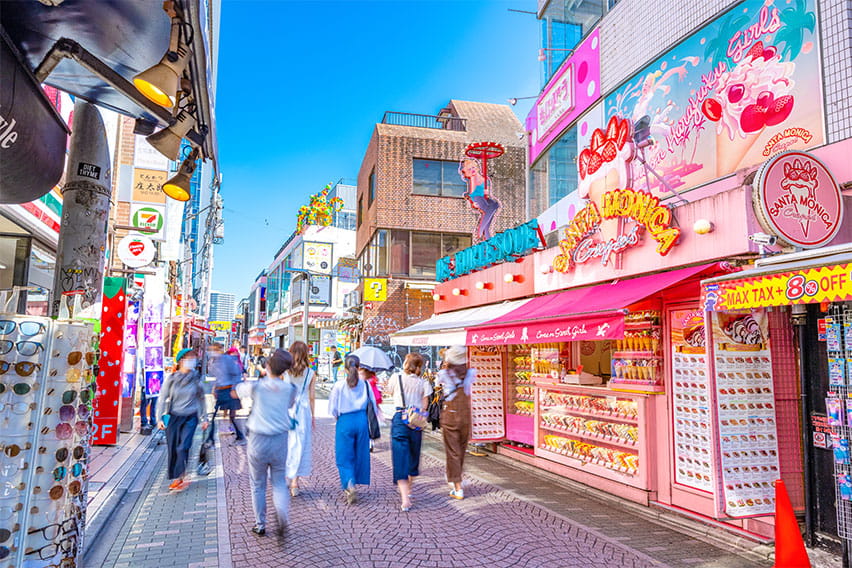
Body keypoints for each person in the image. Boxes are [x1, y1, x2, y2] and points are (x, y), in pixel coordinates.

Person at [234, 349, 297, 537]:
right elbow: (289, 405)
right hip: (280, 439)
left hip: (258, 439)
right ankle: (281, 515)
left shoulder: (257, 387)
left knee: (258, 484)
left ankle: (260, 524)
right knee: (278, 481)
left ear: (267, 366)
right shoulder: (290, 389)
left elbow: (238, 391)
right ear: (284, 370)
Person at [329, 355, 381, 504]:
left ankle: (349, 483)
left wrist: (337, 417)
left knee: (344, 456)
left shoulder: (339, 385)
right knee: (360, 454)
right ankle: (355, 480)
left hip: (345, 420)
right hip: (361, 421)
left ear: (345, 369)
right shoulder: (365, 385)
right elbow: (373, 406)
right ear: (358, 368)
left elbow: (332, 408)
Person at [385, 353, 432, 512]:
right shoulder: (424, 383)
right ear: (419, 367)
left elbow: (389, 392)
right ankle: (409, 490)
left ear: (405, 363)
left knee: (400, 457)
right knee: (413, 456)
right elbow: (425, 406)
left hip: (399, 418)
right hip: (415, 421)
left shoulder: (396, 378)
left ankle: (405, 498)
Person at [157, 348, 209, 492]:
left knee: (183, 446)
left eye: (193, 357)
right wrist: (159, 418)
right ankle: (178, 476)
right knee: (173, 448)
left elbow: (202, 399)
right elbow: (162, 398)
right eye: (188, 358)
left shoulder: (196, 378)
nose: (191, 361)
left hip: (190, 417)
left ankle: (180, 476)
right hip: (174, 417)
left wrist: (204, 418)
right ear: (180, 361)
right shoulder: (172, 379)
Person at [436, 346, 475, 500]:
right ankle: (454, 478)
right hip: (465, 415)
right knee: (461, 448)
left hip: (450, 416)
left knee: (452, 451)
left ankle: (457, 486)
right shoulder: (471, 373)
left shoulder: (444, 374)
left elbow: (438, 385)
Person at [285, 341, 315, 497]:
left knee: (286, 444)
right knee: (300, 445)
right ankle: (295, 482)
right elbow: (311, 397)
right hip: (302, 411)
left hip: (286, 409)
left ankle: (285, 477)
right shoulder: (310, 373)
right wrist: (313, 415)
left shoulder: (285, 371)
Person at [207, 343, 246, 445]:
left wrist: (234, 389)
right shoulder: (212, 362)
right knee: (214, 415)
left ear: (220, 349)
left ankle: (241, 436)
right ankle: (210, 438)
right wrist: (215, 388)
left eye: (215, 349)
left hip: (229, 390)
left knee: (231, 416)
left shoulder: (227, 359)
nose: (213, 352)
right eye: (211, 349)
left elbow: (237, 373)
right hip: (221, 391)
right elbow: (216, 377)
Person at [459, 157, 501, 241]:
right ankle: (481, 231)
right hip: (478, 199)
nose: (472, 170)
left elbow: (487, 193)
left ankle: (484, 235)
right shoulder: (473, 179)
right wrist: (472, 202)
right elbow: (472, 193)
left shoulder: (485, 179)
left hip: (485, 198)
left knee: (494, 205)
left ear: (477, 168)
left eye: (473, 167)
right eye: (470, 169)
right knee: (489, 211)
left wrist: (486, 195)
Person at [360, 366, 382, 452]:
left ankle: (370, 441)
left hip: (369, 403)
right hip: (370, 403)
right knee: (370, 422)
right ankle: (370, 441)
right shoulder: (371, 379)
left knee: (369, 422)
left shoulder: (367, 382)